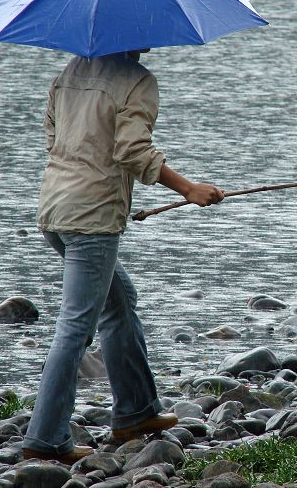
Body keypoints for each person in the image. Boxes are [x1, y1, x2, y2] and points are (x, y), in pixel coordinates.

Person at [22, 50, 224, 464]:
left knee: (118, 302)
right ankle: (45, 438)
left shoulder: (71, 70)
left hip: (54, 210)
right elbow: (132, 150)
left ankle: (136, 411)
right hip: (91, 219)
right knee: (76, 326)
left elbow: (52, 136)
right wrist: (187, 189)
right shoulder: (136, 80)